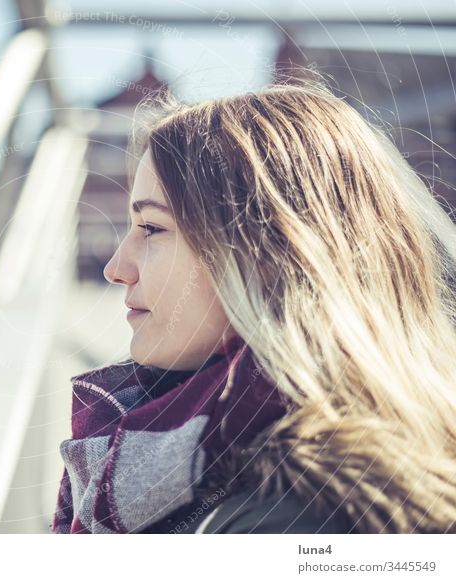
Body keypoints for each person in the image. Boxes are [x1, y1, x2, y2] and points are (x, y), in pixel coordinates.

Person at [50, 75, 456, 534]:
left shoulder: (291, 519)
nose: (117, 267)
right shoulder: (246, 456)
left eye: (152, 228)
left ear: (267, 255)